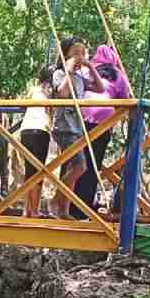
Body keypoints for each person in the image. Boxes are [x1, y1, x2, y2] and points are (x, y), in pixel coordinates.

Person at [73, 44, 131, 220]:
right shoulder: (118, 75)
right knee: (93, 164)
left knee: (74, 163)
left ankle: (70, 206)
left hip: (82, 119)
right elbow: (125, 100)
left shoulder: (86, 70)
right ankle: (84, 208)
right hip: (105, 121)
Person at [51, 36, 105, 218]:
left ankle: (64, 210)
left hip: (77, 128)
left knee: (72, 168)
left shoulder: (80, 78)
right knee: (80, 167)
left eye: (82, 53)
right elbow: (62, 93)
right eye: (75, 53)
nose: (80, 56)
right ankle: (56, 197)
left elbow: (100, 88)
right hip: (64, 128)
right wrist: (68, 67)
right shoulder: (59, 74)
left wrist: (90, 67)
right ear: (65, 56)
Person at [19, 65, 55, 218]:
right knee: (39, 171)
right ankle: (34, 211)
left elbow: (24, 104)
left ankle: (27, 210)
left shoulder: (33, 90)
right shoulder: (50, 91)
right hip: (40, 130)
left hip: (26, 129)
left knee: (30, 171)